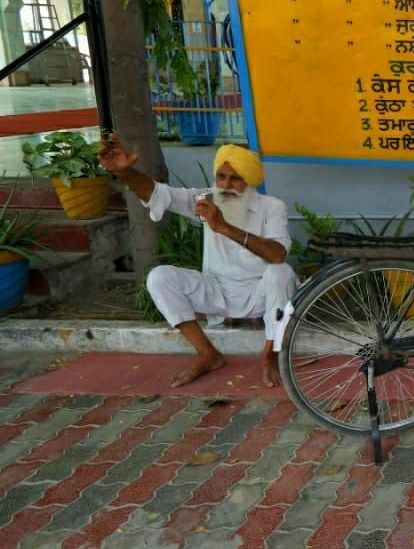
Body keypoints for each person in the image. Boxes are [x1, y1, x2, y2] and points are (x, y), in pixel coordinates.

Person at [99, 137, 297, 389]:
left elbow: (277, 254)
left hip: (261, 294)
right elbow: (158, 193)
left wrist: (225, 227)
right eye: (221, 176)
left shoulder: (272, 207)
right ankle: (207, 354)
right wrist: (125, 172)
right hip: (217, 292)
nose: (226, 185)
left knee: (282, 272)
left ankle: (271, 353)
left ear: (250, 181)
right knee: (160, 277)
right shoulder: (206, 200)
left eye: (235, 178)